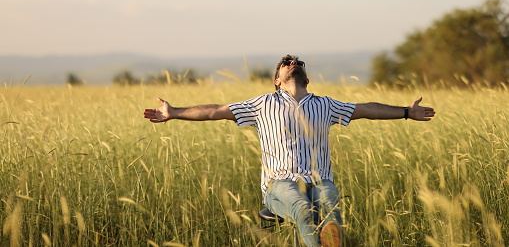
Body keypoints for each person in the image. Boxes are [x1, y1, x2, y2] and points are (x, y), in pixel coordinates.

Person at [143, 54, 435, 247]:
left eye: (297, 62)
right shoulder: (261, 104)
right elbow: (214, 111)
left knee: (331, 207)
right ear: (277, 79)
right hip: (279, 185)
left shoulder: (327, 105)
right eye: (285, 62)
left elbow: (367, 109)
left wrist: (407, 112)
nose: (292, 61)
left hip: (321, 181)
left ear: (306, 78)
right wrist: (175, 112)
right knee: (302, 208)